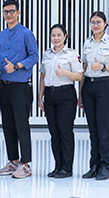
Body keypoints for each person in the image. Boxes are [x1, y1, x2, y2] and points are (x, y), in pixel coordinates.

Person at [78, 11, 109, 181]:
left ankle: (105, 166)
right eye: (92, 22)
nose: (95, 25)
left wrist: (104, 67)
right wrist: (80, 94)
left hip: (104, 86)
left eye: (99, 22)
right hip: (88, 87)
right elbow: (84, 68)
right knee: (92, 130)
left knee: (103, 129)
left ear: (105, 23)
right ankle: (94, 165)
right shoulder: (87, 42)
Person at [0, 0, 39, 179]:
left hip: (21, 87)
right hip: (5, 86)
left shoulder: (26, 34)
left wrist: (17, 66)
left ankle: (25, 164)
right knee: (8, 125)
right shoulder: (1, 35)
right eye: (5, 11)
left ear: (18, 13)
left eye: (12, 11)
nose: (9, 14)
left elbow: (34, 56)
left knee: (21, 125)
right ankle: (13, 161)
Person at [38, 24, 84, 178]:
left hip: (66, 95)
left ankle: (67, 168)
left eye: (59, 35)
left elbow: (79, 76)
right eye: (53, 35)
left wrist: (65, 72)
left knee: (65, 131)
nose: (56, 38)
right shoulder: (47, 54)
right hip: (50, 95)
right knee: (54, 132)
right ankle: (58, 166)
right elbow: (42, 76)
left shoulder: (72, 54)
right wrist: (40, 97)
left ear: (65, 36)